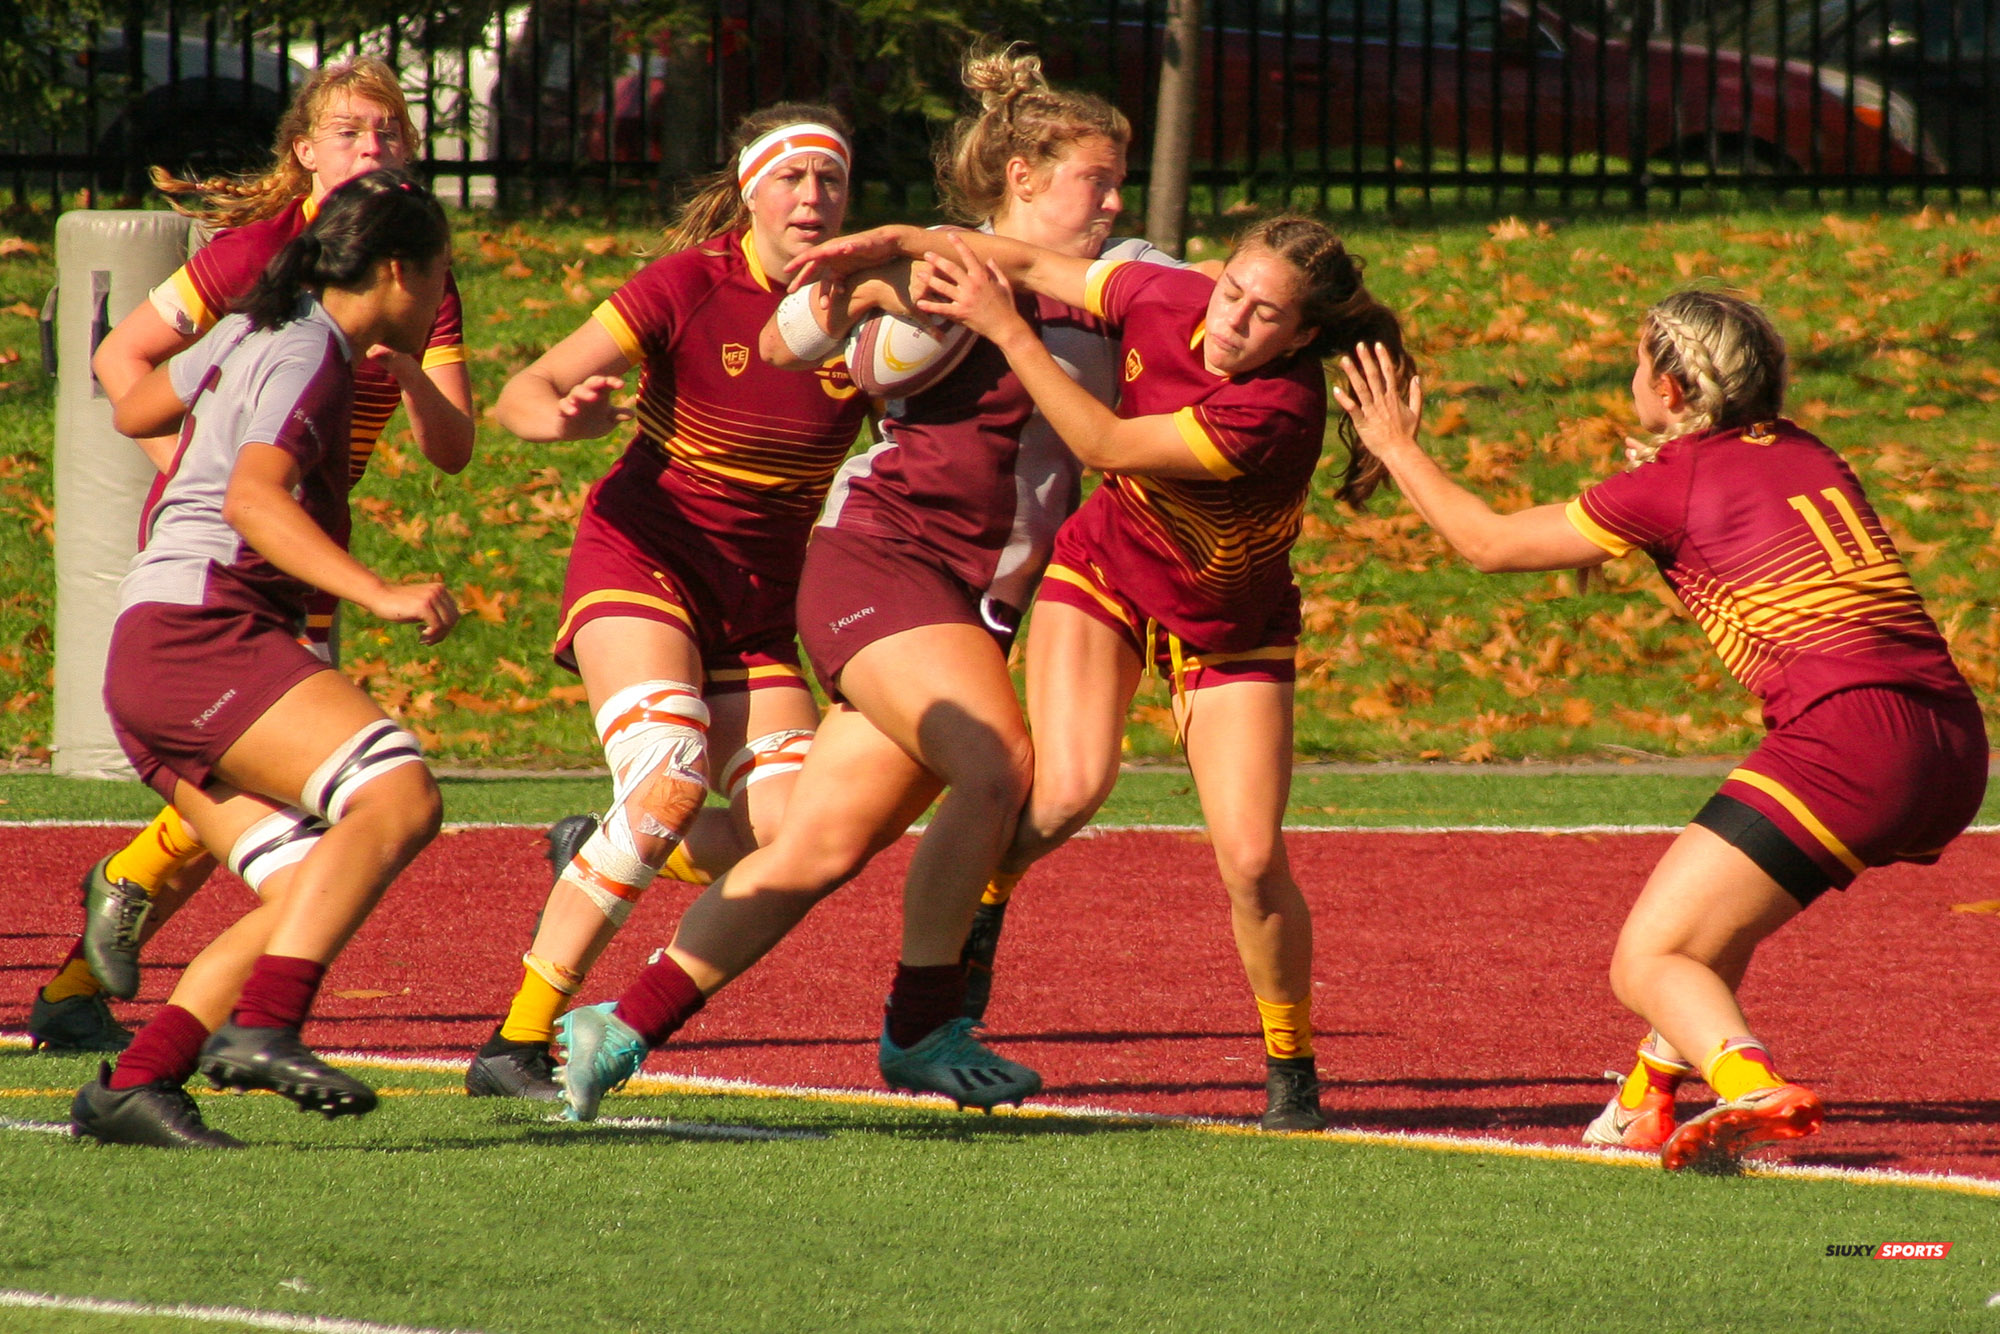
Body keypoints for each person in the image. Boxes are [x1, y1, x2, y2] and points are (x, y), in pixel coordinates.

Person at [550, 45, 1180, 1121]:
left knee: (821, 843)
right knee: (995, 764)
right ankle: (925, 1023)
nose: (1114, 199)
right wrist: (901, 291)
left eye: (1118, 180)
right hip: (882, 564)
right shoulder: (941, 278)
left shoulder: (1109, 274)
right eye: (1095, 179)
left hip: (972, 602)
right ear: (1021, 179)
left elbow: (1201, 299)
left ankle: (621, 1024)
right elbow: (807, 340)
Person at [1335, 288, 1986, 1170]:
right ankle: (1644, 1099)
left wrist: (1394, 445)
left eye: (1640, 362)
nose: (1630, 376)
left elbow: (1487, 542)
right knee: (1713, 934)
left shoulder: (1672, 480)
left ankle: (1750, 1086)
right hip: (1950, 738)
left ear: (1676, 388)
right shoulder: (1803, 448)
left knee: (1649, 958)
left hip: (1850, 737)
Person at [816, 215, 1404, 1129]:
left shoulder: (1277, 408)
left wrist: (1008, 328)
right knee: (1060, 795)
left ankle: (1290, 1065)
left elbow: (1106, 446)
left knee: (1251, 861)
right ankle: (979, 915)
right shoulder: (1169, 296)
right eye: (1232, 293)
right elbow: (1028, 259)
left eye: (1264, 316)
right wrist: (903, 240)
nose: (1232, 322)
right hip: (1104, 571)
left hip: (1227, 626)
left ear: (1303, 338)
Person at [29, 57, 472, 1055]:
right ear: (304, 151)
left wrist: (400, 351)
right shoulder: (273, 281)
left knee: (291, 825)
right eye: (353, 132)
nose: (376, 148)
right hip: (235, 560)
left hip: (276, 555)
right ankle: (247, 1016)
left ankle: (132, 1046)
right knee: (363, 792)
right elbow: (126, 373)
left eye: (391, 131)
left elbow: (451, 447)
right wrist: (208, 468)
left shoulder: (399, 273)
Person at [464, 104, 874, 1101]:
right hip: (640, 560)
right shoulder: (688, 285)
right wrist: (557, 419)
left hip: (757, 604)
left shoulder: (872, 310)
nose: (811, 198)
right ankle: (514, 1044)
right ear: (749, 192)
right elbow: (528, 384)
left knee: (804, 836)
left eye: (829, 180)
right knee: (669, 774)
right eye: (790, 179)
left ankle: (596, 849)